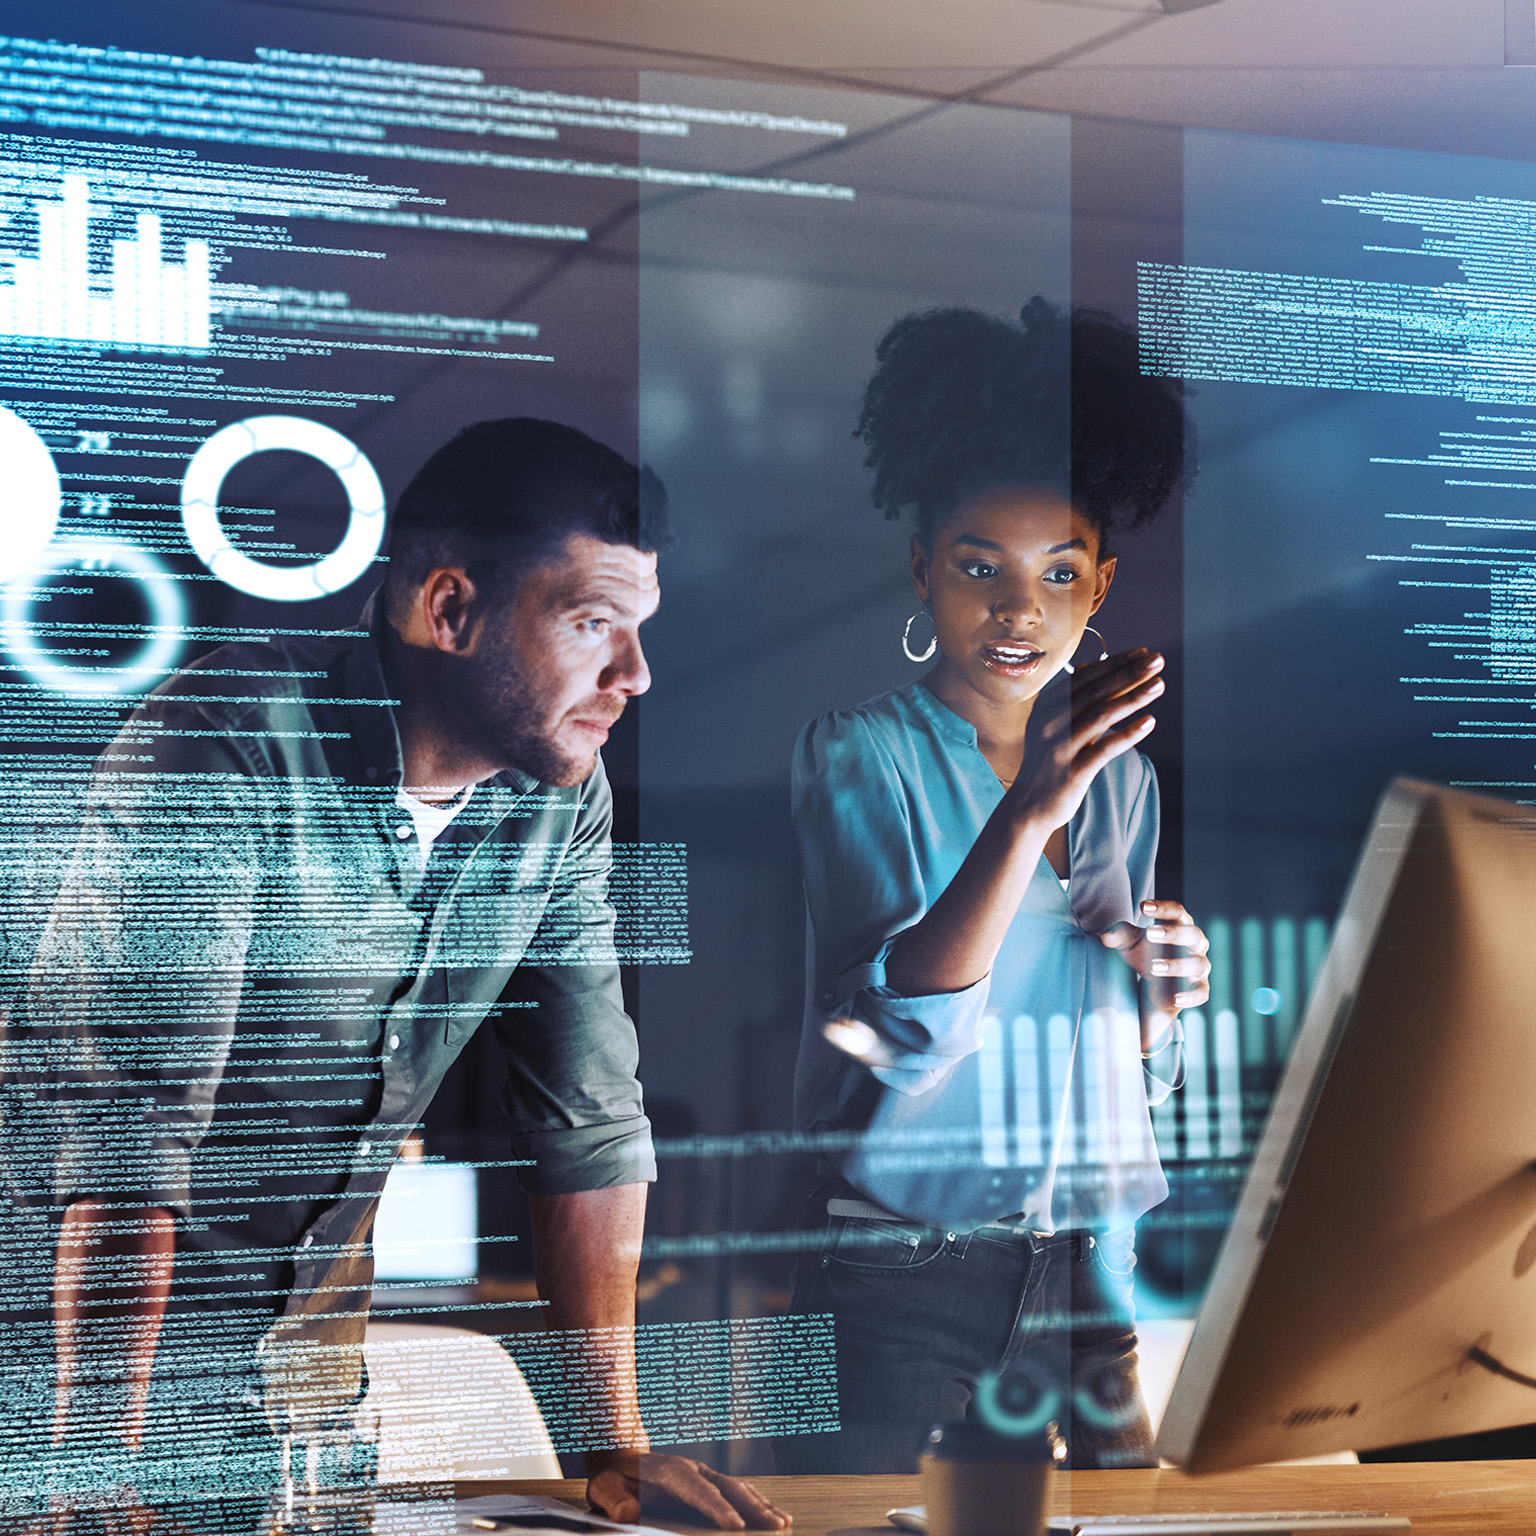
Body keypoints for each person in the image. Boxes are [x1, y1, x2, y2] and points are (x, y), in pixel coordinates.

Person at [4, 418, 787, 1529]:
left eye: (640, 627)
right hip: (81, 1411)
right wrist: (91, 1478)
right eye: (592, 623)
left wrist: (614, 1447)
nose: (636, 674)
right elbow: (126, 1140)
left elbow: (592, 1123)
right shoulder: (219, 738)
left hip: (304, 1428)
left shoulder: (558, 803)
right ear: (449, 610)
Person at [778, 300, 1210, 1473]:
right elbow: (895, 1043)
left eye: (1058, 572)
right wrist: (1027, 816)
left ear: (1099, 585)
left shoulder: (1125, 788)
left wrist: (1163, 999)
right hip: (912, 1269)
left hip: (1092, 1261)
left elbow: (1134, 1078)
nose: (1021, 609)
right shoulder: (858, 752)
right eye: (981, 567)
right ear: (923, 570)